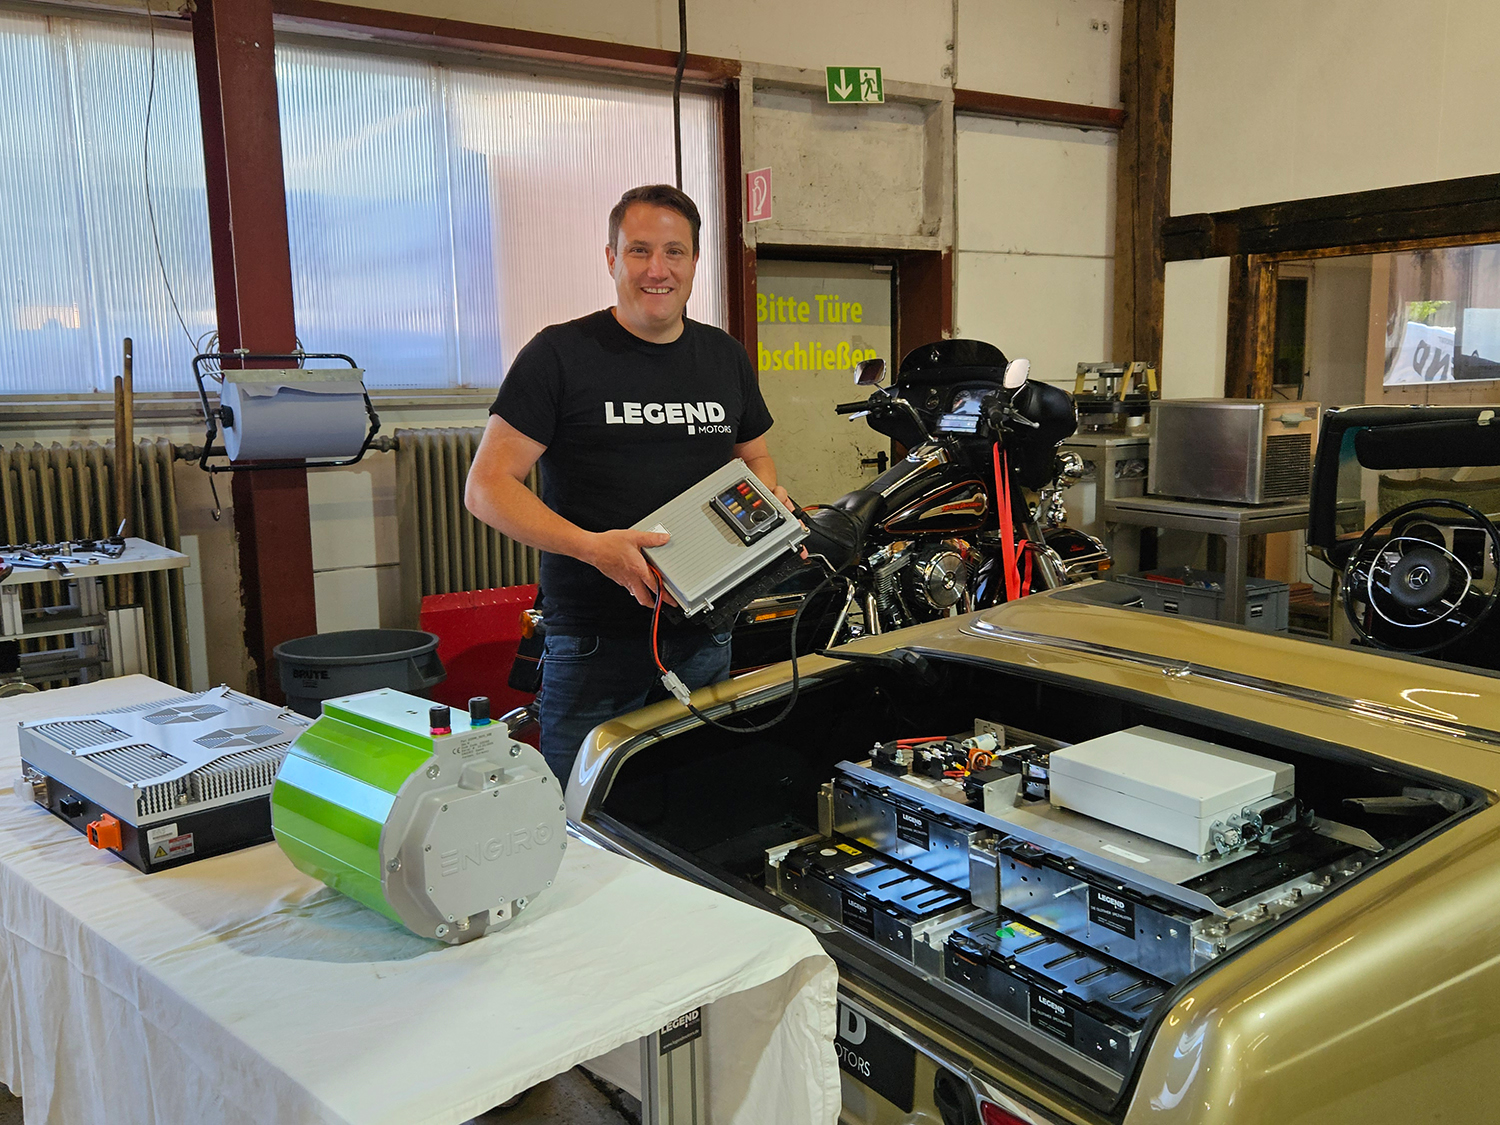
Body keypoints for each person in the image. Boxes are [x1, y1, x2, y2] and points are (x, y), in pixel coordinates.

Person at [465, 184, 786, 785]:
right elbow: (486, 488)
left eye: (674, 252)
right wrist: (594, 548)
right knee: (579, 822)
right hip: (594, 641)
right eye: (639, 251)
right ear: (611, 259)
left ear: (695, 262)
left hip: (705, 633)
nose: (657, 270)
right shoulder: (560, 354)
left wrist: (766, 510)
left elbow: (757, 459)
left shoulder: (724, 357)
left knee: (694, 803)